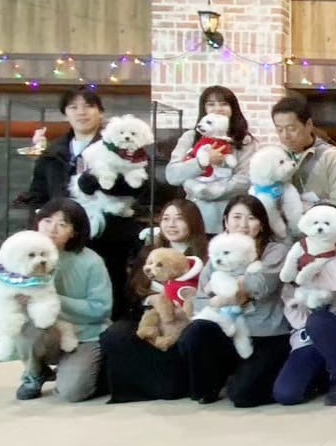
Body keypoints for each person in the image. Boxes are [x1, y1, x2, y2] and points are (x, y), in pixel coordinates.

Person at [18, 87, 142, 324]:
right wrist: (40, 219)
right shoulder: (52, 152)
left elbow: (139, 187)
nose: (81, 112)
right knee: (61, 285)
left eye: (88, 106)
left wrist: (102, 185)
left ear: (100, 111)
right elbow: (38, 193)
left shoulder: (121, 145)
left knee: (110, 288)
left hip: (109, 234)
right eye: (73, 107)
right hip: (60, 236)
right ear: (65, 113)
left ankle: (106, 338)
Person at [179, 196, 292, 407]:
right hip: (227, 330)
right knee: (196, 331)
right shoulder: (218, 254)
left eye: (251, 218)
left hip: (264, 335)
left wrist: (226, 293)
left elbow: (259, 285)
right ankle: (209, 388)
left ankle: (255, 377)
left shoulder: (276, 251)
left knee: (243, 396)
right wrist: (221, 302)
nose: (243, 224)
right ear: (226, 222)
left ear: (262, 224)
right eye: (236, 217)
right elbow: (201, 300)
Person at [100, 199, 209, 402]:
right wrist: (153, 299)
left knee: (188, 336)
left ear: (193, 222)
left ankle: (176, 386)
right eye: (166, 218)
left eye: (179, 219)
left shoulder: (204, 255)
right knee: (116, 334)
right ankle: (136, 389)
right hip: (151, 313)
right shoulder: (148, 251)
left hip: (188, 317)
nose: (171, 224)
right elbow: (134, 291)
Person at [12, 199, 112, 402]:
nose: (52, 229)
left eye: (62, 224)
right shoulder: (22, 255)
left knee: (72, 392)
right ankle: (35, 373)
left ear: (74, 232)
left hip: (85, 336)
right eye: (47, 221)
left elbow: (101, 309)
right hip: (47, 332)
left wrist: (51, 299)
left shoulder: (91, 261)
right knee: (24, 328)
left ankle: (90, 371)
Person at [275, 212, 336, 406]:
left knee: (319, 321)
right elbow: (290, 300)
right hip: (308, 336)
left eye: (327, 223)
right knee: (286, 394)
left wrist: (309, 267)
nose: (321, 229)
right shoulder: (298, 249)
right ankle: (323, 376)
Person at [165, 85, 256, 234]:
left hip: (232, 219)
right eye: (211, 104)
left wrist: (203, 191)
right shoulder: (190, 137)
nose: (217, 109)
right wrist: (201, 162)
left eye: (224, 104)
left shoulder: (244, 140)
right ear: (204, 109)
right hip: (194, 218)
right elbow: (172, 175)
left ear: (233, 108)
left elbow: (244, 180)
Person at [271, 94, 336, 222]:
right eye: (279, 130)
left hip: (324, 230)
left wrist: (307, 208)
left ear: (308, 125)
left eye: (291, 129)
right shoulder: (277, 156)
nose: (285, 135)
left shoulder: (333, 157)